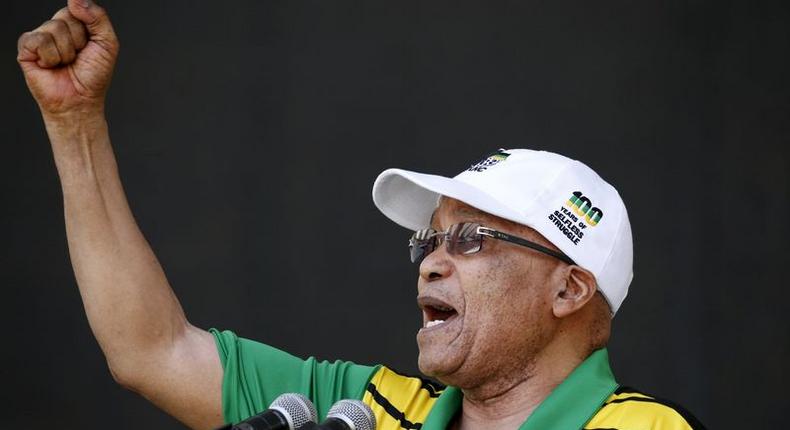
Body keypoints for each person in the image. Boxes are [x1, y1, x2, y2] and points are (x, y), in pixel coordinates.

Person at [17, 1, 705, 429]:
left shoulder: (647, 429)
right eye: (430, 239)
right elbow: (151, 351)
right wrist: (74, 123)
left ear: (569, 289)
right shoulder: (367, 412)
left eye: (470, 239)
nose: (432, 260)